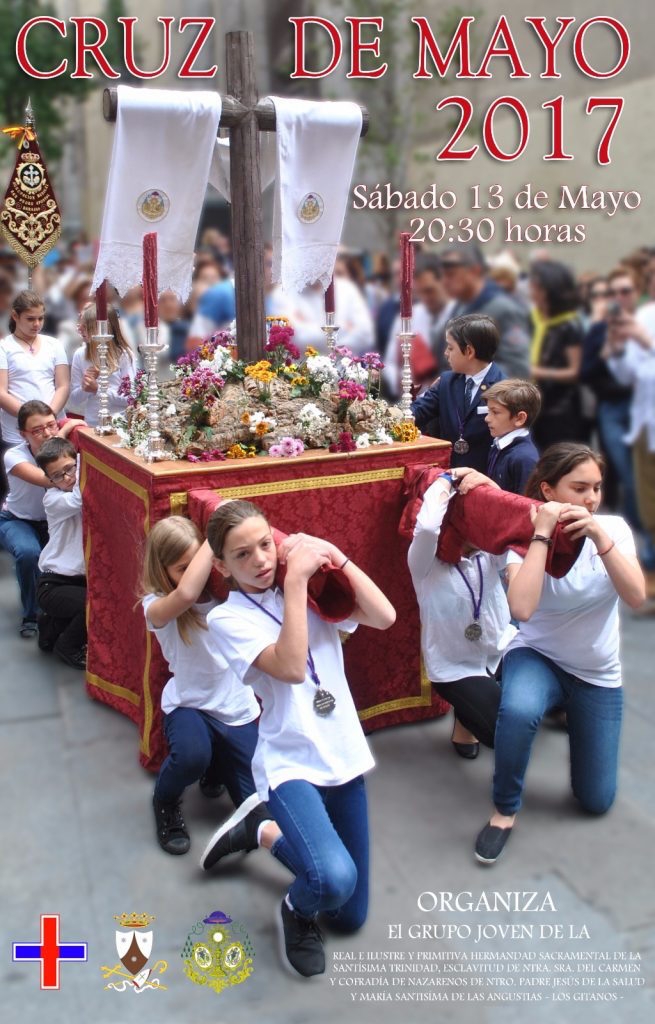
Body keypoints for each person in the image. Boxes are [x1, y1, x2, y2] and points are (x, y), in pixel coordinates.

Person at [205, 500, 395, 978]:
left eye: (266, 545)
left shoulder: (311, 590)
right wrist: (295, 582)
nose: (261, 560)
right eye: (242, 554)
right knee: (332, 881)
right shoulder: (227, 619)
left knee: (349, 913)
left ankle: (261, 831)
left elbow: (384, 617)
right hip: (290, 764)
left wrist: (335, 554)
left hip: (343, 756)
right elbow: (290, 667)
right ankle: (295, 909)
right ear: (221, 566)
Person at [473, 444, 646, 866]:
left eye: (597, 488)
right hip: (537, 653)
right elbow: (522, 610)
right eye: (580, 488)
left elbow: (637, 597)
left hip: (595, 671)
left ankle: (571, 712)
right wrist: (541, 534)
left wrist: (599, 535)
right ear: (549, 492)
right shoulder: (521, 537)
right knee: (518, 710)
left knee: (595, 800)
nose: (590, 499)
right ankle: (504, 811)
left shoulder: (615, 529)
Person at [141, 515, 281, 859]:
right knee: (191, 756)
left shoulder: (225, 596)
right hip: (191, 705)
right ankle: (165, 801)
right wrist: (217, 531)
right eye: (183, 568)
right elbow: (187, 592)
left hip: (237, 707)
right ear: (163, 572)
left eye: (197, 565)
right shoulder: (157, 606)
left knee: (256, 801)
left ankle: (216, 766)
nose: (195, 575)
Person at [408, 471, 515, 758]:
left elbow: (511, 521)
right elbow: (429, 528)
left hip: (503, 648)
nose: (487, 527)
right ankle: (471, 708)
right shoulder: (425, 562)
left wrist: (487, 484)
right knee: (502, 733)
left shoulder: (490, 551)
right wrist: (447, 477)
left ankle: (478, 704)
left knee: (549, 700)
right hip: (456, 666)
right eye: (478, 520)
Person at [0, 401, 78, 636]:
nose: (46, 433)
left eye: (51, 425)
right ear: (23, 434)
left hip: (54, 522)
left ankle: (61, 611)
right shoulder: (14, 456)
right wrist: (62, 434)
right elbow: (52, 478)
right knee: (28, 552)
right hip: (18, 519)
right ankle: (31, 615)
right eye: (37, 430)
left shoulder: (66, 448)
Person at [412, 313, 504, 471]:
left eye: (450, 347)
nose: (445, 353)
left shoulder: (502, 388)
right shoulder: (447, 382)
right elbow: (418, 411)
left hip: (482, 477)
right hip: (448, 473)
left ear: (469, 351)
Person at [438, 243, 531, 379]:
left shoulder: (505, 310)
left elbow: (518, 369)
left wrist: (468, 377)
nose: (445, 282)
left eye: (451, 274)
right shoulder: (459, 306)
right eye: (443, 275)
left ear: (475, 271)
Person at [34, 437, 87, 669]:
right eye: (57, 475)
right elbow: (78, 498)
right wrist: (83, 461)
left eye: (69, 469)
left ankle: (52, 626)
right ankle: (68, 646)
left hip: (78, 581)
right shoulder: (53, 498)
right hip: (53, 584)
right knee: (91, 605)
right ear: (49, 480)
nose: (67, 477)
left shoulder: (73, 481)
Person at [0, 290, 70, 447]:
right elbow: (1, 392)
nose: (37, 324)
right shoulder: (4, 347)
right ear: (15, 316)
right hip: (17, 430)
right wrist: (31, 419)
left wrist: (48, 418)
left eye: (40, 318)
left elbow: (63, 385)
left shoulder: (54, 344)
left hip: (53, 427)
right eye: (30, 319)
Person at [529, 260, 586, 448]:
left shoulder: (568, 325)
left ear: (548, 291)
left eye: (536, 286)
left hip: (559, 409)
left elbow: (574, 371)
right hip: (535, 405)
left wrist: (537, 372)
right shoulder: (533, 319)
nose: (531, 290)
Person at [69, 304, 135, 425]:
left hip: (120, 422)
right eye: (80, 325)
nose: (80, 329)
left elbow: (130, 398)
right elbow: (74, 399)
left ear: (102, 329)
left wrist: (98, 389)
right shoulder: (80, 354)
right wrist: (85, 387)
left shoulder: (123, 354)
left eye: (86, 326)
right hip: (92, 422)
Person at [483, 379, 541, 495]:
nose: (487, 418)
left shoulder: (525, 459)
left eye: (495, 412)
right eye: (488, 411)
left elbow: (524, 505)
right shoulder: (498, 445)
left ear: (520, 418)